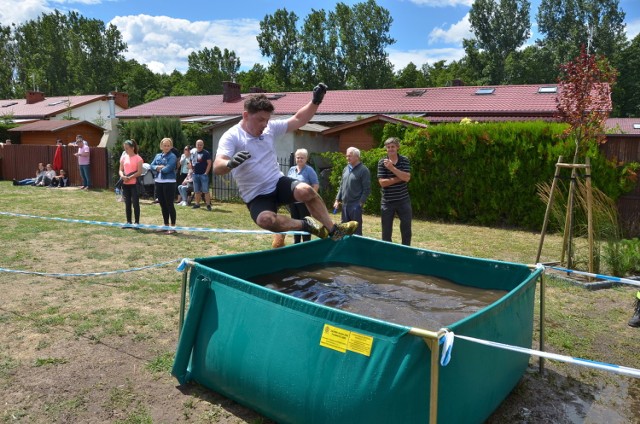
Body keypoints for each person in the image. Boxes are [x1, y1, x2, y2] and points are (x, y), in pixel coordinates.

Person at [213, 84, 358, 241]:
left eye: (267, 120)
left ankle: (333, 230)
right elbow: (217, 166)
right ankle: (305, 225)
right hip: (256, 194)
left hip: (277, 182)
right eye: (260, 119)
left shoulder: (269, 128)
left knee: (306, 191)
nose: (264, 124)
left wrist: (315, 102)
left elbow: (298, 119)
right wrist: (230, 164)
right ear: (246, 115)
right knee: (266, 220)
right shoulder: (232, 136)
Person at [377, 137, 412, 246]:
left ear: (397, 147)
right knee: (386, 230)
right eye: (388, 147)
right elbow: (382, 183)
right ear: (386, 149)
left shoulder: (404, 160)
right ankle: (387, 252)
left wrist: (392, 168)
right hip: (387, 201)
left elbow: (407, 178)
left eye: (393, 147)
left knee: (406, 228)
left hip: (403, 200)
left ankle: (406, 250)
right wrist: (399, 177)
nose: (390, 149)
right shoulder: (382, 162)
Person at [333, 147, 371, 236]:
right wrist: (337, 200)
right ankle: (345, 248)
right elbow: (341, 186)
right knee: (344, 229)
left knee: (356, 231)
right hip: (345, 205)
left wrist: (360, 203)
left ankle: (357, 249)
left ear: (357, 157)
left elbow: (367, 189)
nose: (347, 158)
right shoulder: (346, 169)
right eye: (347, 156)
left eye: (350, 156)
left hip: (355, 205)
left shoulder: (364, 170)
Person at [286, 148, 320, 243]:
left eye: (302, 158)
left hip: (304, 203)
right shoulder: (292, 169)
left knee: (305, 223)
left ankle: (306, 244)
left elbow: (316, 185)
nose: (299, 159)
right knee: (295, 223)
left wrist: (310, 198)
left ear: (306, 159)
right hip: (293, 202)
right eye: (298, 157)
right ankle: (296, 243)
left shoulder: (309, 170)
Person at [150, 137, 178, 234]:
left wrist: (160, 168)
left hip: (169, 182)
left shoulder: (173, 156)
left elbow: (169, 168)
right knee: (162, 204)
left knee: (169, 204)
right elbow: (151, 165)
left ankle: (173, 227)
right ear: (161, 146)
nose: (166, 147)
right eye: (164, 145)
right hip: (159, 182)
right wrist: (158, 167)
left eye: (168, 145)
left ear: (171, 146)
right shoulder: (158, 155)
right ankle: (166, 225)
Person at [119, 140, 144, 228]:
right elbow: (120, 170)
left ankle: (137, 222)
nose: (125, 150)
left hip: (134, 184)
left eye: (127, 148)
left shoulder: (138, 158)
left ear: (132, 148)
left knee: (135, 203)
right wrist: (123, 176)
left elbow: (139, 172)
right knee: (127, 203)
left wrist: (129, 177)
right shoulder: (123, 157)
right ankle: (128, 222)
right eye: (124, 148)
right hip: (125, 184)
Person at [189, 139, 213, 211]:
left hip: (203, 175)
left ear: (203, 145)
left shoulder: (206, 153)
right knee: (196, 191)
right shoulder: (193, 153)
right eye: (198, 144)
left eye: (201, 145)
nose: (199, 146)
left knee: (206, 190)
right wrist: (192, 170)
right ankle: (197, 204)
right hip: (195, 174)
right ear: (196, 145)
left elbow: (209, 163)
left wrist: (206, 173)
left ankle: (208, 205)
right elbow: (190, 162)